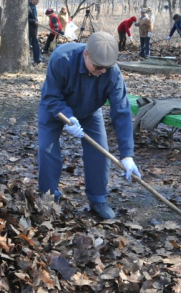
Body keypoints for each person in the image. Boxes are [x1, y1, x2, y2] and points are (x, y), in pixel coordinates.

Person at [38, 32, 140, 220]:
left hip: (89, 110)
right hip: (55, 108)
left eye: (106, 67)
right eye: (98, 66)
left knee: (100, 151)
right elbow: (51, 96)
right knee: (47, 149)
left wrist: (127, 154)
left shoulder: (112, 73)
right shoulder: (62, 59)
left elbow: (122, 112)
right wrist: (68, 118)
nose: (102, 71)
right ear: (86, 54)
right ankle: (49, 197)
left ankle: (98, 199)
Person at [28, 0, 42, 65]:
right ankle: (36, 59)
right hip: (29, 30)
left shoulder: (33, 7)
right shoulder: (28, 7)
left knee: (35, 44)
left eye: (38, 0)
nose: (37, 1)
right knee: (31, 45)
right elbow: (26, 19)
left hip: (34, 29)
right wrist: (33, 21)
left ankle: (38, 59)